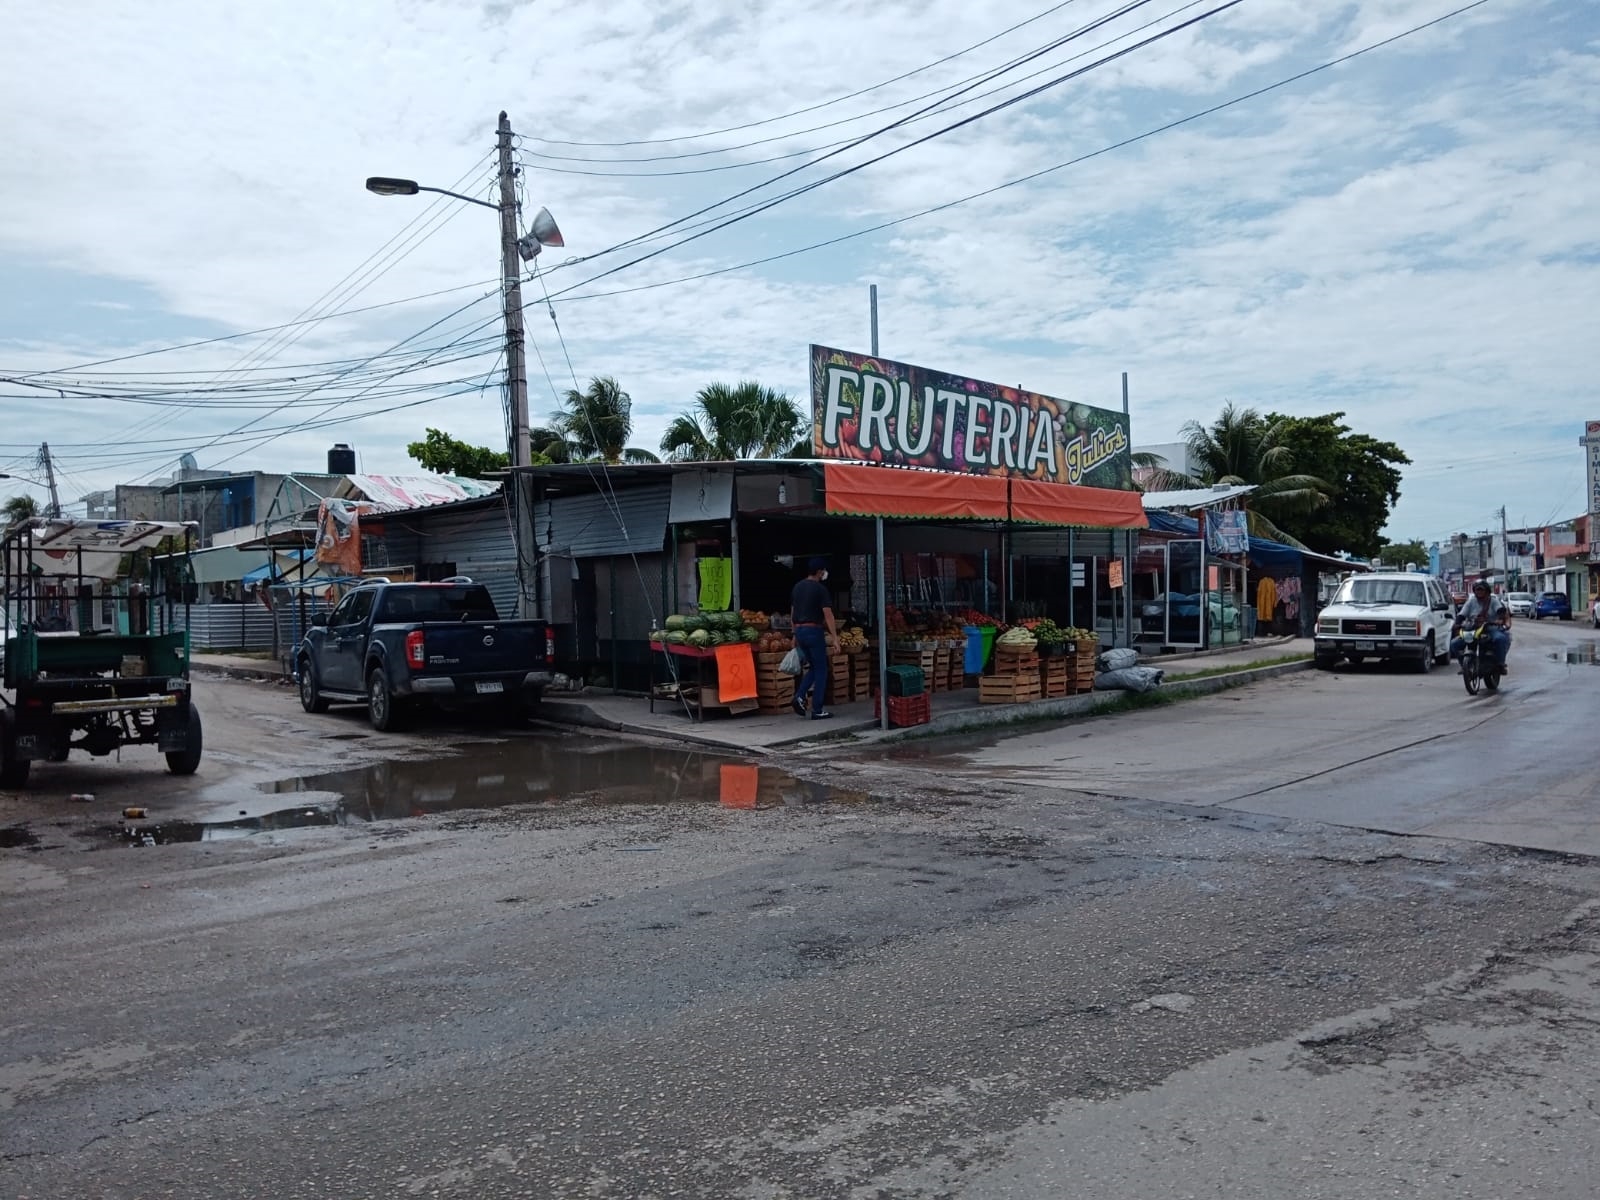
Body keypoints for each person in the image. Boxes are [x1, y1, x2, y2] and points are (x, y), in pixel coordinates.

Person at [790, 556, 838, 719]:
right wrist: (835, 638)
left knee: (814, 667)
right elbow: (828, 614)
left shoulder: (797, 587)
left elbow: (793, 613)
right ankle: (817, 709)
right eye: (824, 570)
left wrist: (794, 634)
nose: (825, 573)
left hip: (800, 631)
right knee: (822, 669)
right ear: (819, 572)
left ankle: (799, 696)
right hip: (813, 631)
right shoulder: (820, 589)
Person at [1450, 579, 1511, 672]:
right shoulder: (1471, 601)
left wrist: (1500, 619)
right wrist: (1457, 623)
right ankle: (1464, 666)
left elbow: (1500, 611)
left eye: (1481, 590)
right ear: (1474, 591)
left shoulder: (1493, 601)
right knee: (1454, 643)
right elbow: (1462, 614)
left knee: (1500, 639)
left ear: (1487, 591)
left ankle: (1500, 664)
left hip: (1490, 629)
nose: (1479, 592)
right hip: (1473, 630)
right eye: (1477, 590)